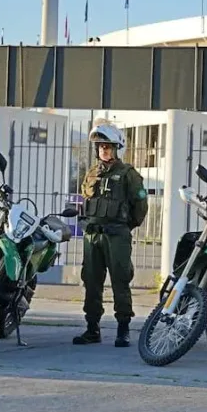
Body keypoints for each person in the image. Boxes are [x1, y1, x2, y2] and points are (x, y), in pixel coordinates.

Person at [73, 121, 148, 347]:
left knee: (120, 280)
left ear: (117, 148)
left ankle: (123, 329)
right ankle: (92, 328)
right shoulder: (92, 174)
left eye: (108, 146)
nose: (104, 150)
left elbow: (140, 205)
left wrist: (125, 227)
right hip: (92, 236)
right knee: (92, 281)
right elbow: (86, 201)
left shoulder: (128, 174)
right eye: (100, 146)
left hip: (116, 235)